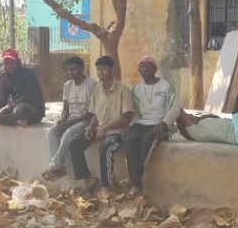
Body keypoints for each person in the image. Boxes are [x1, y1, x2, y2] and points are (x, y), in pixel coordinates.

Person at [68, 56, 134, 192]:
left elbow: (127, 118)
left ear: (111, 70)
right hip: (99, 129)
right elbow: (94, 114)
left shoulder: (124, 90)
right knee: (74, 144)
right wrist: (91, 127)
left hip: (116, 133)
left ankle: (106, 187)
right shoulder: (97, 90)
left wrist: (104, 128)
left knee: (105, 147)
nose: (100, 72)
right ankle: (88, 180)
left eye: (104, 69)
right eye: (98, 69)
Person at [127, 56, 180, 194]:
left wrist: (164, 123)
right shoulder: (137, 89)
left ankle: (135, 183)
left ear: (155, 69)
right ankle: (135, 183)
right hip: (142, 123)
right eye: (142, 67)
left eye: (148, 66)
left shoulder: (166, 85)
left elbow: (175, 107)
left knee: (146, 142)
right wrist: (132, 124)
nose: (145, 69)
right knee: (130, 140)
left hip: (160, 124)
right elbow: (136, 111)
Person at [43, 56, 98, 179]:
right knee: (51, 133)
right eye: (68, 70)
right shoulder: (67, 85)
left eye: (73, 69)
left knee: (68, 133)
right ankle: (60, 167)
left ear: (81, 69)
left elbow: (91, 112)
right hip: (71, 119)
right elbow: (65, 109)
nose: (70, 72)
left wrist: (71, 122)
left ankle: (55, 166)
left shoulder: (91, 84)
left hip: (86, 120)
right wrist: (63, 118)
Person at [0, 48, 45, 126]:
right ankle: (11, 121)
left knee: (21, 109)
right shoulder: (5, 76)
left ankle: (2, 120)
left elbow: (26, 98)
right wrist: (0, 84)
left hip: (30, 110)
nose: (10, 66)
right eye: (6, 63)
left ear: (18, 62)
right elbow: (0, 103)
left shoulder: (28, 74)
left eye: (12, 62)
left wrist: (5, 109)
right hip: (12, 111)